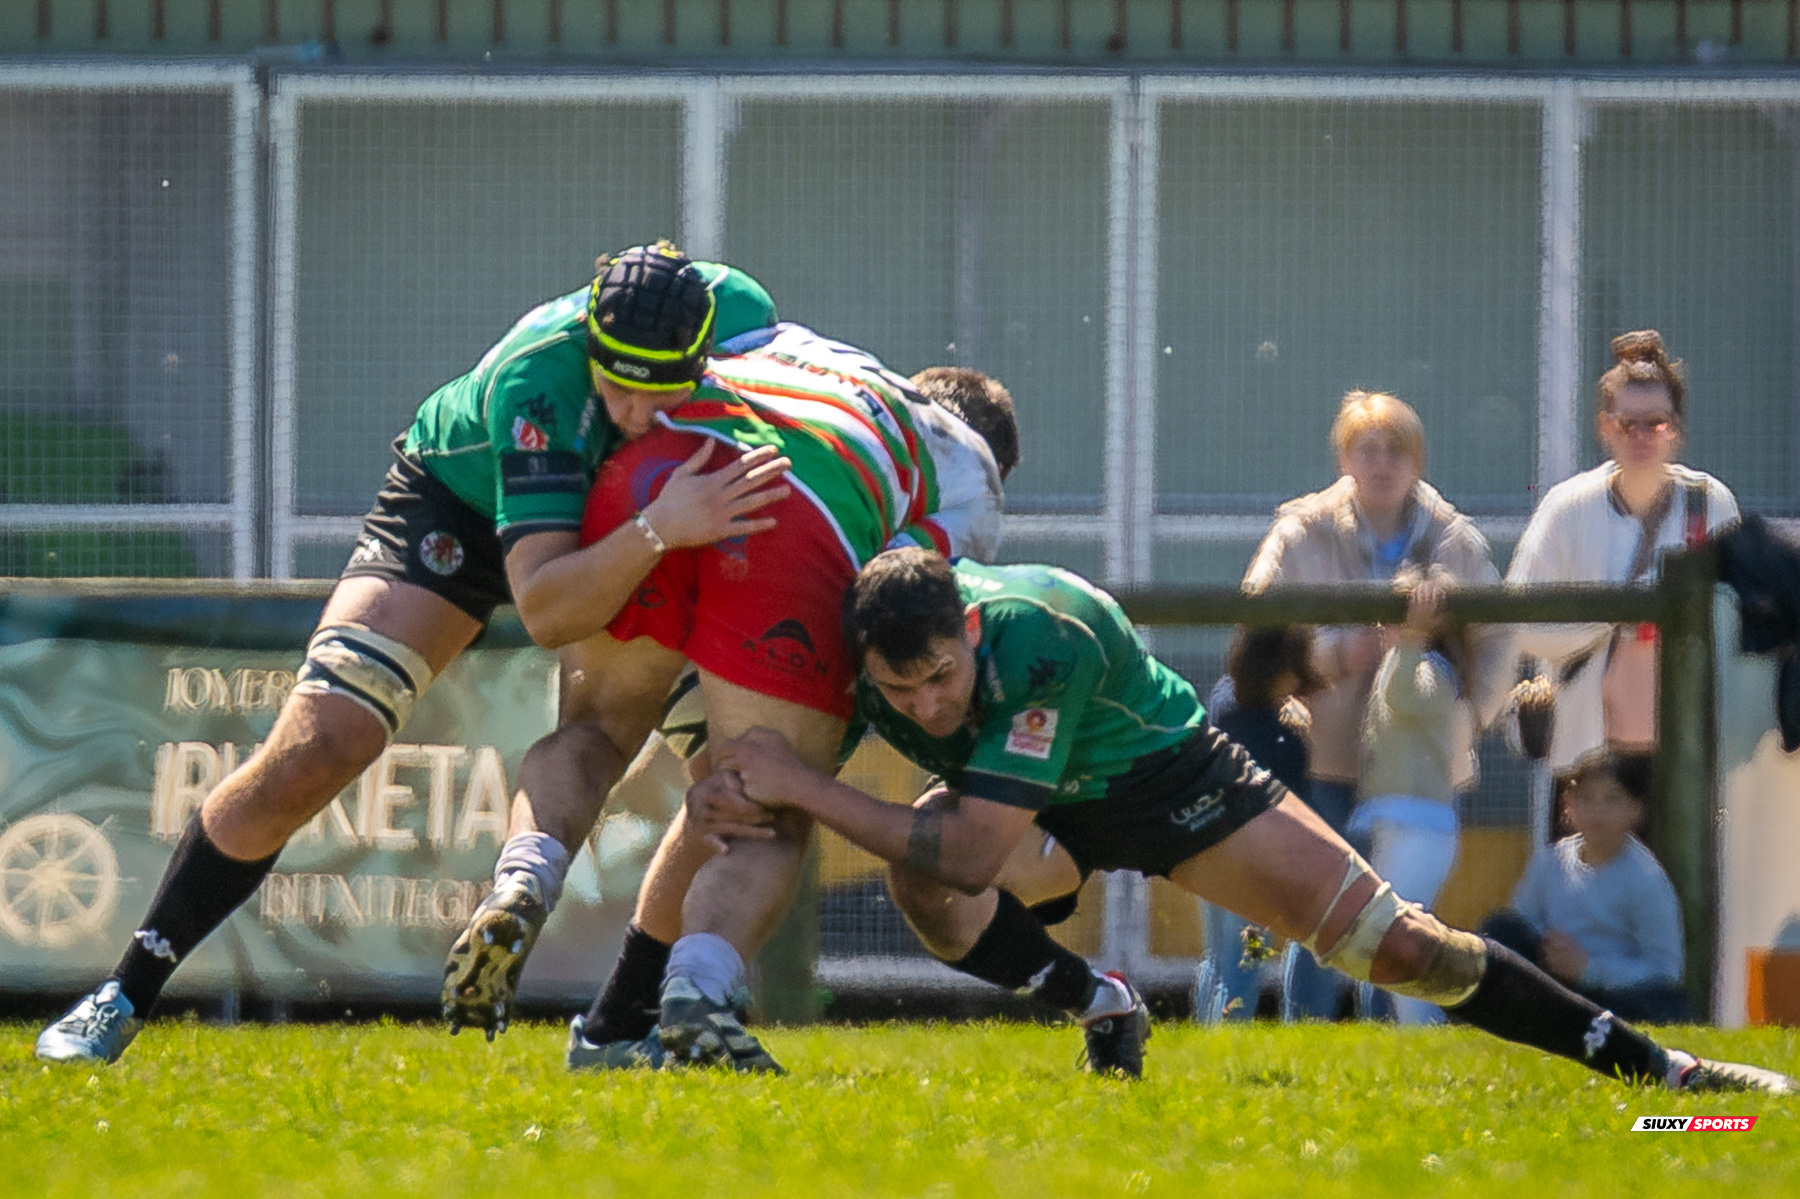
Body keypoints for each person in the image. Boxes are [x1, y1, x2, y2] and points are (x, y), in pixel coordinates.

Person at [35, 244, 795, 1065]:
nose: (639, 416)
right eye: (618, 388)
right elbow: (544, 606)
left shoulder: (744, 316)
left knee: (739, 769)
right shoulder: (538, 379)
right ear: (591, 344)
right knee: (324, 740)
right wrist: (660, 528)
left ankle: (617, 1026)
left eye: (663, 394)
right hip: (466, 511)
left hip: (645, 518)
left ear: (704, 351)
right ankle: (121, 991)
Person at [698, 548, 1792, 1093]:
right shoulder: (865, 658)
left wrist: (798, 785)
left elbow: (974, 843)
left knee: (1401, 945)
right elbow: (776, 750)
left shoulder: (1041, 637)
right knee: (922, 886)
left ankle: (1667, 1076)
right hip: (1045, 810)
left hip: (1174, 782)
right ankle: (1104, 1002)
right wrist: (727, 777)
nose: (929, 704)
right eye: (904, 695)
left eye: (942, 677)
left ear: (973, 625)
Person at [438, 325, 1022, 1063]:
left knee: (596, 732)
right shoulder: (972, 477)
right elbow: (885, 607)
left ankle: (527, 876)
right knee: (765, 803)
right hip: (787, 511)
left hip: (658, 474)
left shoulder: (816, 349)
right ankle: (696, 996)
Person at [1242, 390, 1508, 1016]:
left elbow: (1501, 638)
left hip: (1418, 769)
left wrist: (1466, 719)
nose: (1383, 464)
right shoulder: (1301, 532)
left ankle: (1399, 1037)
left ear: (1417, 460)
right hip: (1323, 759)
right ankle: (1307, 1030)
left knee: (1407, 915)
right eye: (1369, 450)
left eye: (1398, 450)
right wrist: (1333, 656)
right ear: (1344, 457)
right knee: (1319, 907)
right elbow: (1256, 620)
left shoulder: (1454, 542)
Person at [1507, 330, 1738, 840]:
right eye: (1625, 423)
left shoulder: (1709, 504)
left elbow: (1735, 626)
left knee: (1682, 908)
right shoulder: (1568, 507)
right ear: (1603, 428)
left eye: (1655, 422)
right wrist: (1614, 616)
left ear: (1675, 429)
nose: (1640, 435)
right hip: (1588, 758)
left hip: (1686, 756)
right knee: (1581, 907)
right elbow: (1519, 619)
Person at [1347, 569, 1474, 1025]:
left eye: (1402, 617)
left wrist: (1412, 638)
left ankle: (1426, 1034)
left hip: (1420, 828)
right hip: (1395, 825)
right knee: (1383, 939)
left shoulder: (1432, 671)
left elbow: (1403, 697)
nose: (1388, 629)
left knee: (1398, 938)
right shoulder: (1404, 660)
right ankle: (1410, 1035)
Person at [1481, 753, 1691, 1024]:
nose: (1597, 811)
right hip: (1552, 981)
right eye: (1586, 798)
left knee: (1664, 1005)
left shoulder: (1646, 879)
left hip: (1614, 996)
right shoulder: (1549, 861)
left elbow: (1665, 971)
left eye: (1612, 800)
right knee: (1499, 931)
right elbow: (1522, 924)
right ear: (1568, 805)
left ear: (1636, 810)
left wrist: (1588, 970)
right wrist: (1551, 949)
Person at [1201, 624, 1321, 1021]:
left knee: (1219, 958)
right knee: (1247, 961)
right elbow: (1294, 805)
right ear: (1282, 672)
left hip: (1207, 855)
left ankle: (1206, 1029)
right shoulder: (1281, 739)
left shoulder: (1224, 711)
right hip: (1252, 872)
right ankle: (1229, 1040)